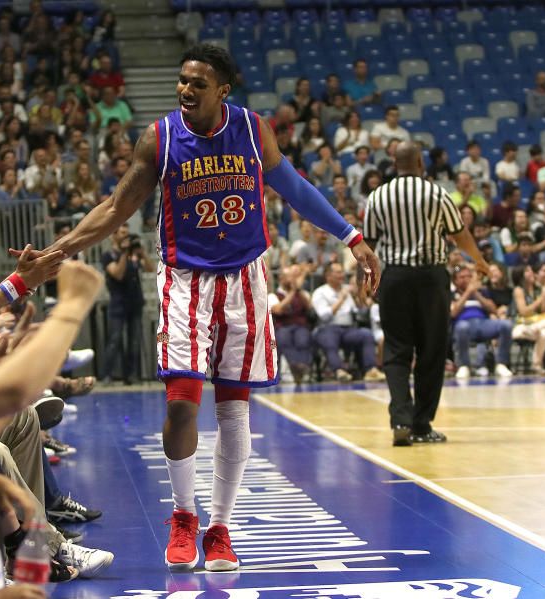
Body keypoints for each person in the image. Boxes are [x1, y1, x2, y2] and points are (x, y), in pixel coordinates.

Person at [37, 44, 379, 572]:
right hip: (185, 279)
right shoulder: (160, 138)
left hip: (245, 278)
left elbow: (292, 187)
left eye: (199, 83)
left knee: (234, 413)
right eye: (182, 81)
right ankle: (183, 516)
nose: (185, 90)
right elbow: (114, 208)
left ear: (223, 90)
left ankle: (220, 527)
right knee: (180, 404)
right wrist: (58, 253)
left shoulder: (251, 129)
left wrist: (351, 236)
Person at [364, 141, 490, 446]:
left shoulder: (377, 196)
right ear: (421, 163)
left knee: (396, 350)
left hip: (394, 277)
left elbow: (366, 244)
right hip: (431, 277)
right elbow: (459, 234)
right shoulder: (436, 193)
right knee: (431, 351)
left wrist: (365, 280)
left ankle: (400, 420)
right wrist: (480, 261)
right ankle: (421, 425)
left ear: (395, 164)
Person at [312, 264, 384, 383]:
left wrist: (358, 297)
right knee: (329, 339)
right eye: (338, 272)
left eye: (342, 272)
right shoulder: (320, 292)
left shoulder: (347, 289)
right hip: (327, 328)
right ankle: (339, 371)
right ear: (328, 276)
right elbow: (324, 316)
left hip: (348, 329)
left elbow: (358, 312)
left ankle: (371, 370)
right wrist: (341, 299)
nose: (342, 275)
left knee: (366, 334)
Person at [101, 224, 154, 384]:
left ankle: (131, 375)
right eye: (122, 233)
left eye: (127, 233)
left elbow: (151, 269)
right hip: (118, 302)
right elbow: (117, 274)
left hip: (135, 302)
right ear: (114, 236)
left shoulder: (134, 255)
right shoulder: (108, 255)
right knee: (115, 340)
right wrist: (124, 253)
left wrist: (142, 252)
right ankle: (106, 375)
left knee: (134, 340)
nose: (125, 236)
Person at [450, 265, 515, 380]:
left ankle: (501, 364)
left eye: (469, 276)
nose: (466, 279)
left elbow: (493, 309)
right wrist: (467, 293)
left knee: (506, 325)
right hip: (464, 325)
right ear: (455, 281)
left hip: (483, 323)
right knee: (462, 327)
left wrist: (476, 294)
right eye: (462, 277)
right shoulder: (452, 294)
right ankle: (464, 366)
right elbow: (453, 313)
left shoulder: (482, 292)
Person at [510, 265, 545, 373]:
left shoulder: (537, 289)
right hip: (519, 325)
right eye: (527, 271)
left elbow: (543, 311)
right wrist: (541, 298)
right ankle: (533, 330)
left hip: (533, 326)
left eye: (531, 270)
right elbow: (523, 312)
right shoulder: (518, 290)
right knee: (544, 331)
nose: (531, 273)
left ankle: (536, 365)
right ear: (520, 275)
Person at [269, 265, 314, 385]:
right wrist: (293, 292)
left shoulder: (302, 293)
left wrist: (298, 291)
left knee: (303, 339)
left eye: (293, 277)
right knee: (283, 339)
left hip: (300, 326)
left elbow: (309, 307)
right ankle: (297, 368)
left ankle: (301, 369)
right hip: (282, 327)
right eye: (289, 277)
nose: (292, 280)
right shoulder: (273, 295)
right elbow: (278, 309)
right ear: (281, 279)